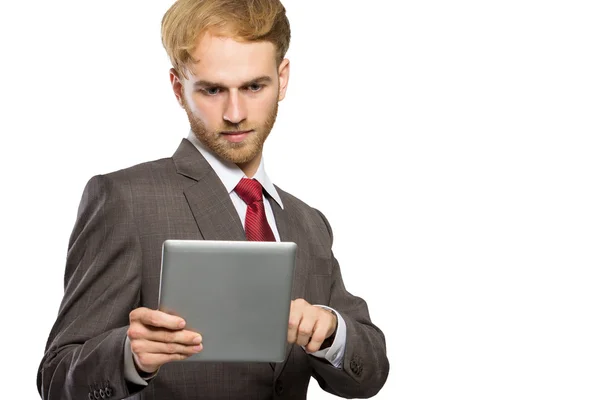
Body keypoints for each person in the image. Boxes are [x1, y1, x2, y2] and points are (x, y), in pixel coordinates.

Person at [37, 0, 389, 398]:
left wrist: (330, 332)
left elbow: (371, 372)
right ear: (178, 88)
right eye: (212, 89)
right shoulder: (125, 200)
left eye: (254, 86)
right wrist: (128, 357)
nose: (235, 113)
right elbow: (55, 378)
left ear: (283, 78)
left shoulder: (308, 222)